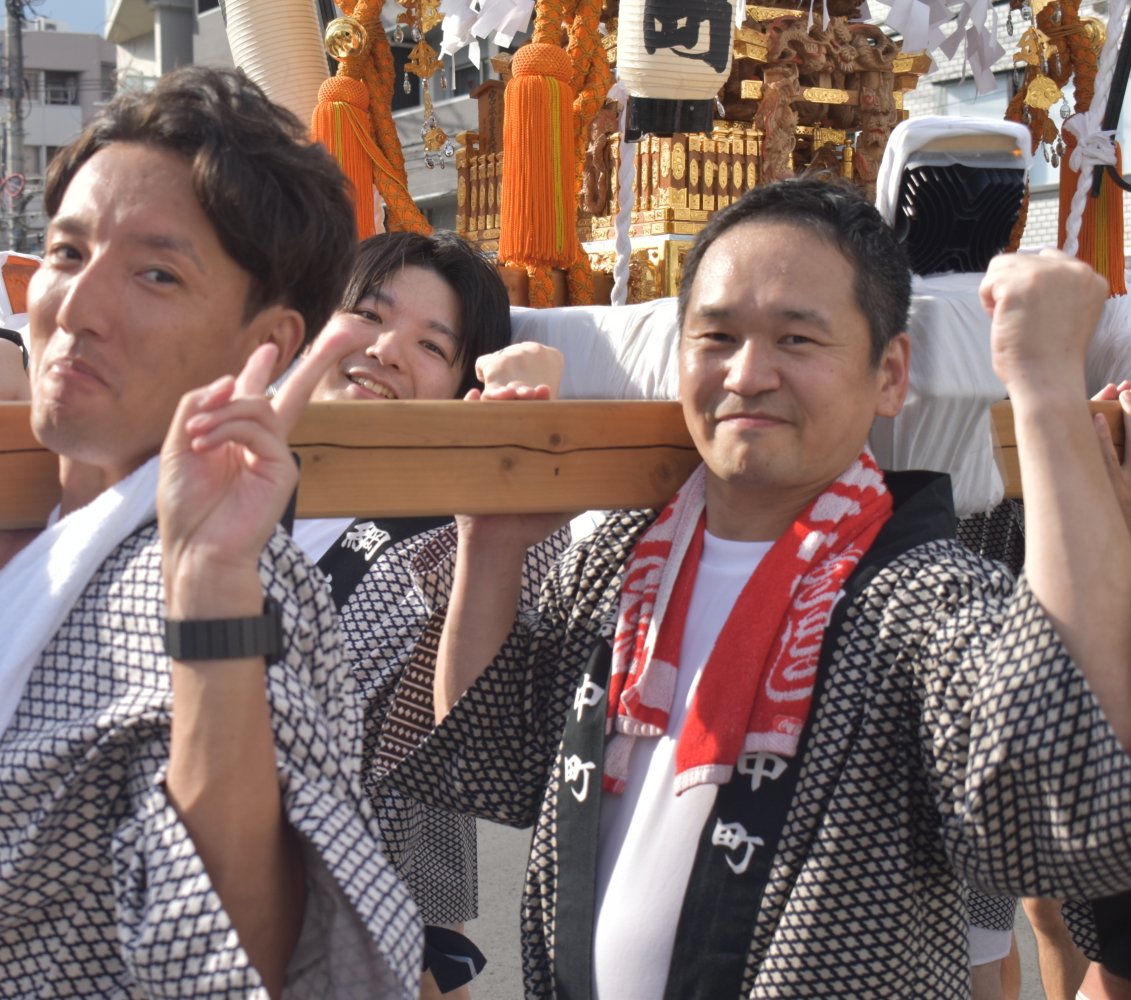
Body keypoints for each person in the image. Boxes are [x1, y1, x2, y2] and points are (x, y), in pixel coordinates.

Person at [0, 67, 421, 999]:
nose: (75, 308)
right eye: (65, 252)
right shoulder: (19, 535)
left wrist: (213, 586)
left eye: (156, 273)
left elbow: (264, 964)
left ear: (264, 341)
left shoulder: (229, 590)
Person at [363, 179, 1131, 998]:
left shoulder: (922, 599)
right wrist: (489, 541)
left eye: (798, 340)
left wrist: (1046, 387)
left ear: (890, 374)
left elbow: (1063, 802)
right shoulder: (622, 559)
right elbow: (493, 757)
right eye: (718, 336)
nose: (748, 374)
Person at [299, 229, 566, 999]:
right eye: (369, 316)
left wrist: (522, 430)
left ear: (459, 387)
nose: (384, 351)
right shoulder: (219, 471)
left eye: (430, 345)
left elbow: (486, 736)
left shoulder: (456, 533)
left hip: (358, 930)